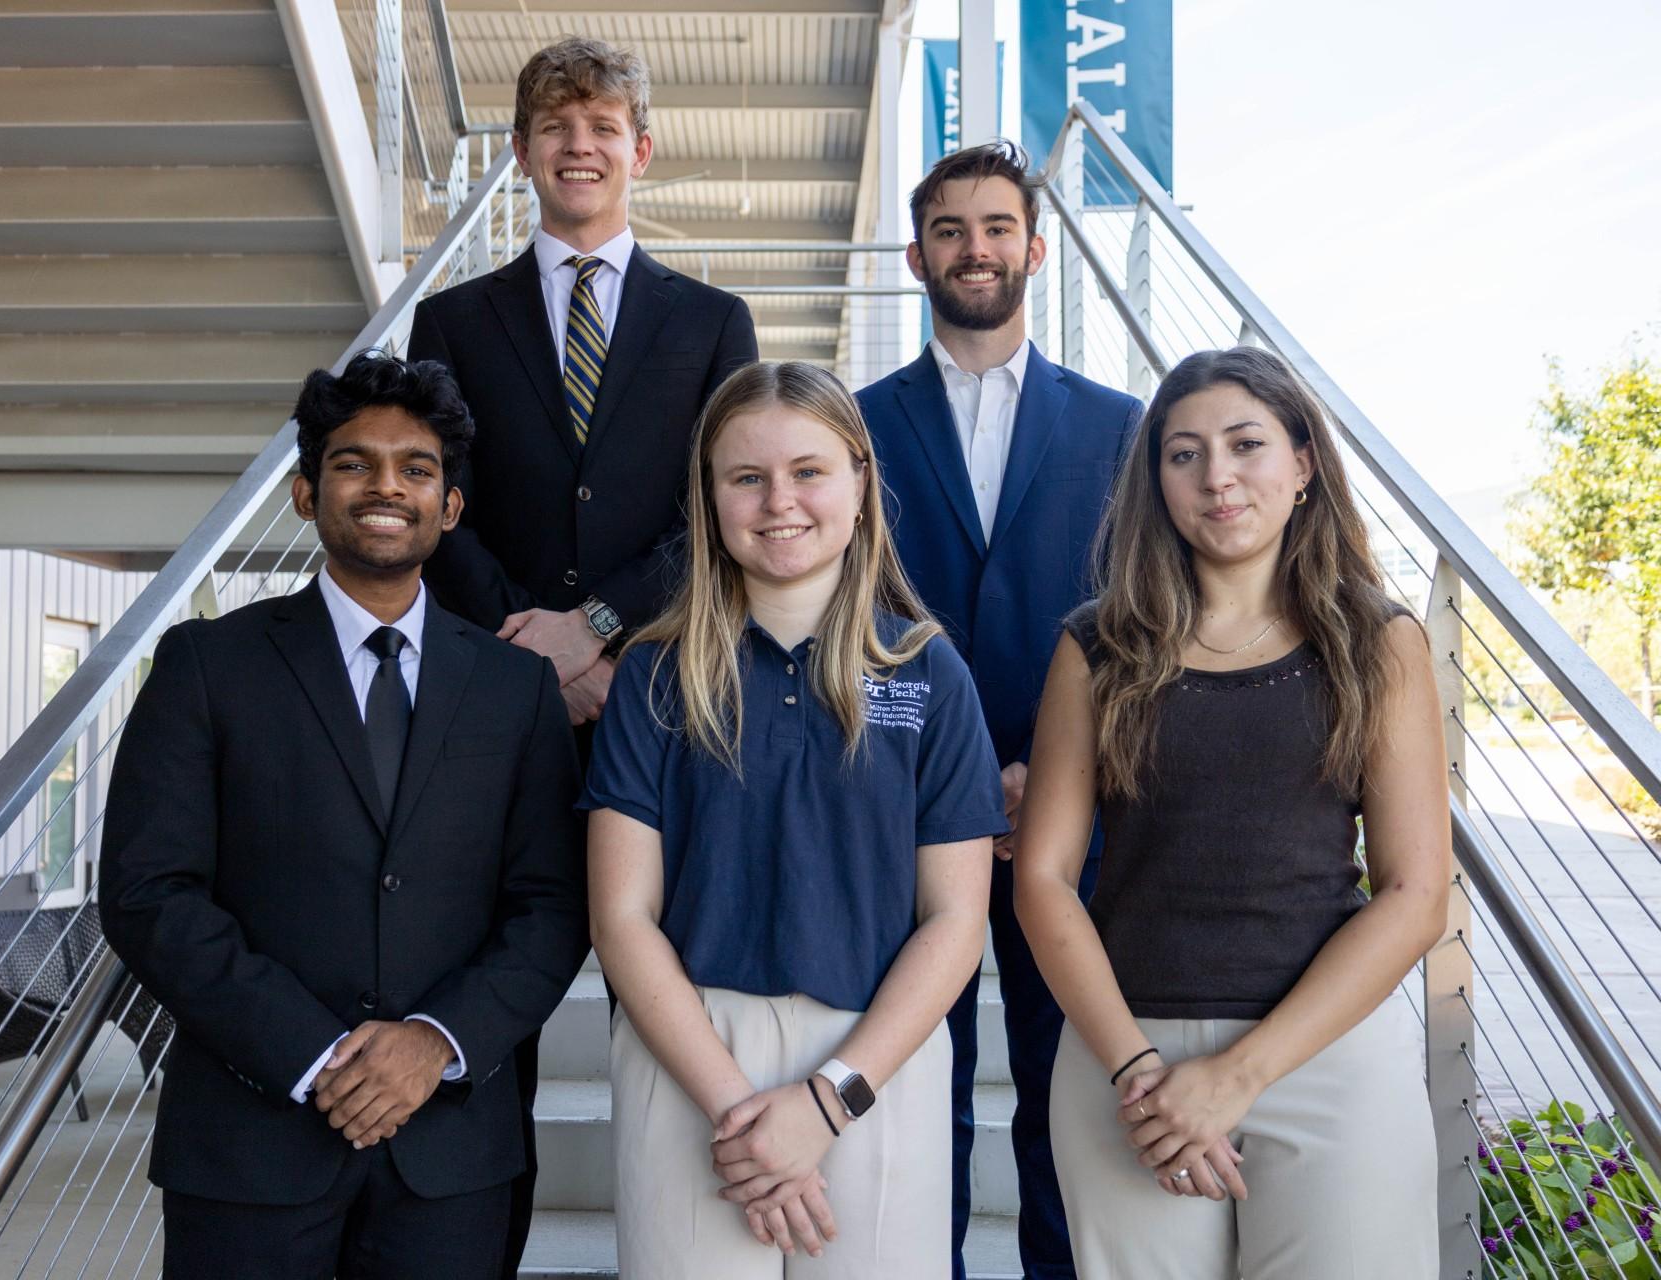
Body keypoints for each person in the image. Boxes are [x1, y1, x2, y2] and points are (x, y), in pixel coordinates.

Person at [98, 354, 588, 1279]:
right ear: (304, 494)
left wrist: (433, 1044)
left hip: (450, 1156)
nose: (386, 486)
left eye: (416, 468)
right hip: (251, 1144)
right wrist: (316, 1054)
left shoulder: (517, 688)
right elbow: (147, 892)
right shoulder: (206, 666)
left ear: (449, 506)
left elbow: (554, 905)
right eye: (354, 463)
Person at [409, 45, 755, 1265]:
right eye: (555, 126)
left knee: (658, 1002)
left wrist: (597, 630)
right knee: (478, 1004)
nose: (580, 145)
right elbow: (436, 497)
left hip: (651, 710)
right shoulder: (454, 320)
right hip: (488, 714)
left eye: (603, 125)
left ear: (640, 150)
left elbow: (722, 510)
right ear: (521, 151)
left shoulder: (712, 323)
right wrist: (528, 648)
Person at [1011, 346, 1448, 1278]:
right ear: (1156, 481)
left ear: (1303, 464)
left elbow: (1416, 895)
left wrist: (1239, 1076)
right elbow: (1042, 878)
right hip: (1130, 1064)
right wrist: (1137, 1071)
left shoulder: (1376, 642)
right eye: (1184, 454)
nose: (1217, 477)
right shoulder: (1097, 647)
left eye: (1247, 444)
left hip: (1327, 1057)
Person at [583, 360, 1008, 1278]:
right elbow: (620, 918)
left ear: (860, 481)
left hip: (873, 1060)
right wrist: (737, 1110)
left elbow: (955, 920)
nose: (779, 501)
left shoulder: (929, 672)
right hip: (689, 1054)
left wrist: (825, 1102)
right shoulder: (655, 674)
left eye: (808, 470)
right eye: (747, 476)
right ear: (710, 498)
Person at [854, 139, 1142, 1280]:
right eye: (948, 231)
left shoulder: (1119, 423)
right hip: (902, 808)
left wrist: (1051, 777)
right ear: (917, 256)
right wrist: (965, 779)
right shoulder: (857, 424)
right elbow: (852, 612)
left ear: (1034, 248)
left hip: (1068, 821)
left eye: (994, 228)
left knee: (1063, 1096)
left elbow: (1137, 619)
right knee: (915, 1092)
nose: (973, 249)